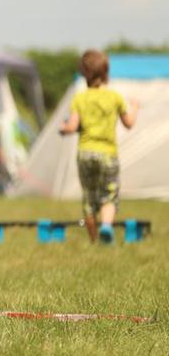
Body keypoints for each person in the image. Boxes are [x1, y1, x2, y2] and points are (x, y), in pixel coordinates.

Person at [59, 50, 139, 243]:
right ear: (105, 72)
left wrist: (63, 128)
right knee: (109, 196)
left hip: (85, 153)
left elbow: (72, 126)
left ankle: (94, 240)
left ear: (84, 73)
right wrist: (135, 107)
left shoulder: (80, 98)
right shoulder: (115, 97)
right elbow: (129, 123)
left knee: (89, 197)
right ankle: (106, 227)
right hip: (108, 154)